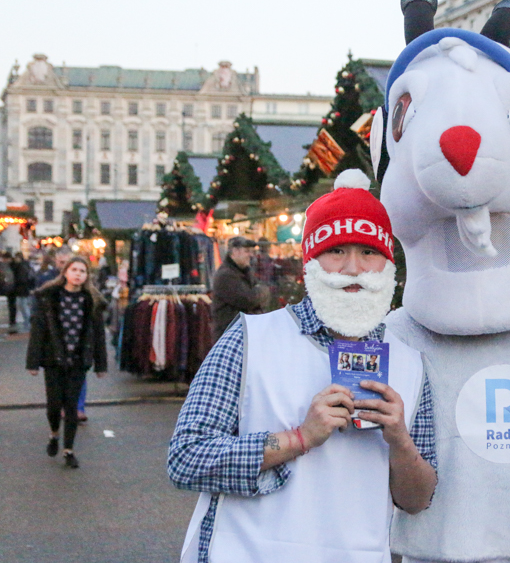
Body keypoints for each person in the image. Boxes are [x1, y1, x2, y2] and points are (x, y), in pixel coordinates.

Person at [168, 170, 437, 563]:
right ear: (310, 260)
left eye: (369, 252)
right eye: (337, 250)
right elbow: (187, 459)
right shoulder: (251, 338)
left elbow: (417, 500)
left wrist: (399, 440)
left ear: (388, 264)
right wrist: (300, 438)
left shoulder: (409, 364)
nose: (353, 268)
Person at [26, 256, 108, 469]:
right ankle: (54, 434)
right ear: (65, 273)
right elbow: (38, 332)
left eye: (82, 271)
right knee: (54, 406)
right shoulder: (49, 298)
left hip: (78, 361)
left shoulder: (91, 301)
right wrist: (33, 363)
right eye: (74, 270)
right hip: (53, 359)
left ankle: (68, 450)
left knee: (71, 406)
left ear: (87, 276)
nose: (78, 274)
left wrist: (101, 365)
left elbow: (98, 336)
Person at [210, 236, 270, 342]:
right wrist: (263, 292)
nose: (251, 255)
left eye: (251, 251)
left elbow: (255, 299)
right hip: (230, 338)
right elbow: (248, 300)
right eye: (247, 251)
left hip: (242, 335)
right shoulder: (226, 275)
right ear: (234, 251)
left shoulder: (245, 272)